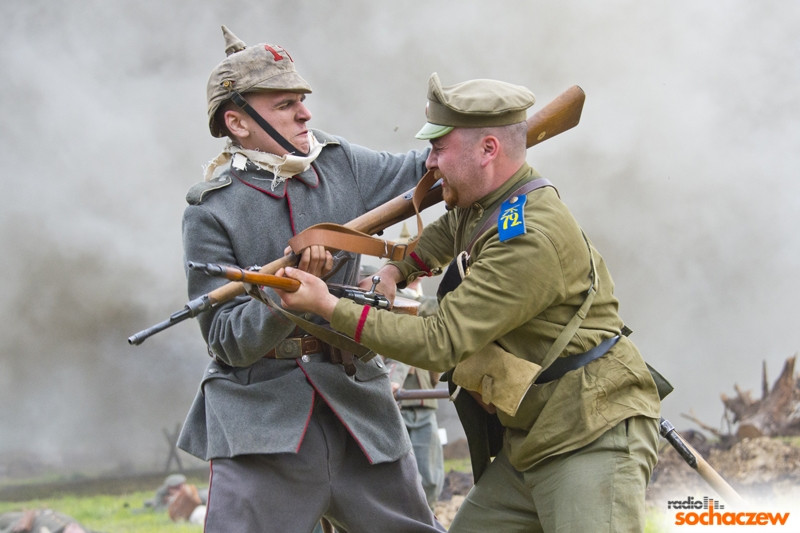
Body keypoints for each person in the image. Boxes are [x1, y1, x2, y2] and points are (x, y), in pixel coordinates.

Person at [275, 73, 663, 532]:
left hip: (591, 432)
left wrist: (327, 306)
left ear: (488, 149)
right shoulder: (491, 203)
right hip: (536, 434)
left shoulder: (528, 239)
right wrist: (396, 270)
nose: (429, 162)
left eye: (439, 148)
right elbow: (449, 231)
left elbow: (439, 343)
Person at [175, 26, 442, 533]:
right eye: (285, 105)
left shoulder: (341, 164)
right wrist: (287, 301)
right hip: (261, 424)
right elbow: (226, 340)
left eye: (301, 100)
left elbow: (430, 171)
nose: (305, 114)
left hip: (357, 408)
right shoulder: (210, 210)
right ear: (237, 122)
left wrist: (473, 133)